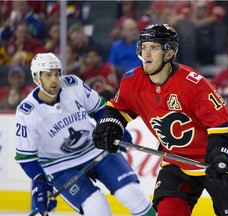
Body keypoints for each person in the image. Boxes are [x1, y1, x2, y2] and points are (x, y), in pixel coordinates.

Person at [92, 24, 228, 216]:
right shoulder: (132, 80)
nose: (146, 53)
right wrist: (110, 125)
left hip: (213, 161)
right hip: (176, 162)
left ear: (169, 53)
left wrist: (219, 152)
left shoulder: (194, 84)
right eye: (144, 46)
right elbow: (119, 109)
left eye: (154, 48)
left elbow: (220, 124)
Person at [14, 53, 156, 216]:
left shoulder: (73, 85)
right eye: (48, 75)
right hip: (61, 165)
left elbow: (99, 109)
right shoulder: (27, 112)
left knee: (131, 194)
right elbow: (27, 158)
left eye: (57, 73)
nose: (54, 80)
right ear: (36, 78)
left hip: (96, 149)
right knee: (97, 208)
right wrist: (40, 183)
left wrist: (112, 127)